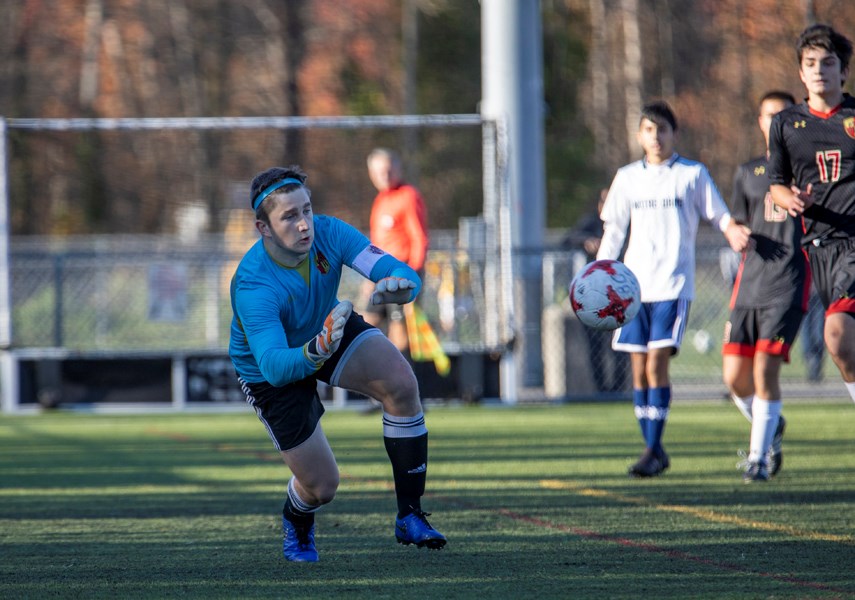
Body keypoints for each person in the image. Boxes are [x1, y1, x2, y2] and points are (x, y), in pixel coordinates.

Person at [229, 165, 446, 562]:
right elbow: (276, 366)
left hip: (328, 328)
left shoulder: (330, 232)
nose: (304, 224)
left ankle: (410, 516)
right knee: (322, 487)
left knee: (401, 383)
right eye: (289, 216)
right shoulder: (252, 284)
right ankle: (297, 517)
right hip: (270, 371)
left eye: (307, 210)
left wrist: (401, 285)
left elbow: (392, 267)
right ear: (263, 228)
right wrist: (315, 351)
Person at [596, 100, 751, 478]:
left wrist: (732, 229)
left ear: (674, 133)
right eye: (649, 130)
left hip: (672, 284)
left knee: (656, 362)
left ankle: (652, 447)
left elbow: (717, 213)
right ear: (639, 135)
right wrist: (600, 272)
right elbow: (614, 230)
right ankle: (653, 447)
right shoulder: (628, 177)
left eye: (662, 129)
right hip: (631, 289)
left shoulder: (691, 174)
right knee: (637, 368)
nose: (656, 137)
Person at [768, 24, 855, 407]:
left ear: (844, 71)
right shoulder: (786, 125)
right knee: (844, 349)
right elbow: (776, 183)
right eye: (810, 63)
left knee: (834, 334)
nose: (819, 70)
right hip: (818, 248)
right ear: (801, 73)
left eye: (828, 62)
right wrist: (789, 199)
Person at [722, 91, 806, 483]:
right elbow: (736, 221)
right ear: (759, 121)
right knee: (735, 378)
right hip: (748, 285)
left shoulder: (808, 171)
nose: (775, 122)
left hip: (787, 283)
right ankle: (771, 423)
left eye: (783, 115)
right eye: (769, 115)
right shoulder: (748, 172)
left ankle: (758, 457)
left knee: (764, 369)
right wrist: (734, 231)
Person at [361, 148, 429, 357]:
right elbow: (377, 242)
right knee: (364, 321)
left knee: (399, 329)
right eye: (379, 172)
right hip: (379, 274)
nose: (385, 176)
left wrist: (413, 275)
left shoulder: (408, 196)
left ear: (398, 169)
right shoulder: (381, 200)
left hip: (401, 274)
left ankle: (400, 376)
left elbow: (419, 237)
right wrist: (367, 276)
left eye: (389, 170)